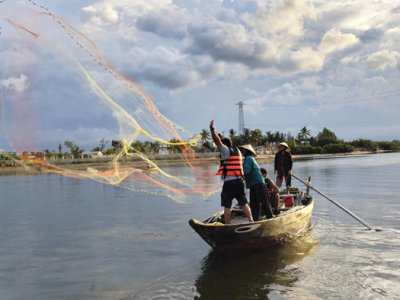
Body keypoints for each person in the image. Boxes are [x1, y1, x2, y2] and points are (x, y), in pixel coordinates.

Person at [209, 120, 253, 224]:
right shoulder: (236, 150)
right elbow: (221, 140)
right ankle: (251, 220)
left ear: (224, 145)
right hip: (240, 181)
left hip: (230, 183)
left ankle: (228, 225)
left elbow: (217, 141)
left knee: (227, 205)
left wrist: (212, 129)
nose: (219, 148)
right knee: (243, 203)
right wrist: (219, 135)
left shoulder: (225, 150)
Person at [239, 144, 274, 221]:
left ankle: (270, 218)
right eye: (241, 150)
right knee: (254, 203)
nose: (242, 151)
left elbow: (247, 172)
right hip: (253, 183)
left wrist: (238, 173)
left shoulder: (248, 158)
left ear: (247, 151)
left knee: (263, 201)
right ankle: (256, 219)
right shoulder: (247, 159)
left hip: (257, 182)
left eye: (243, 150)